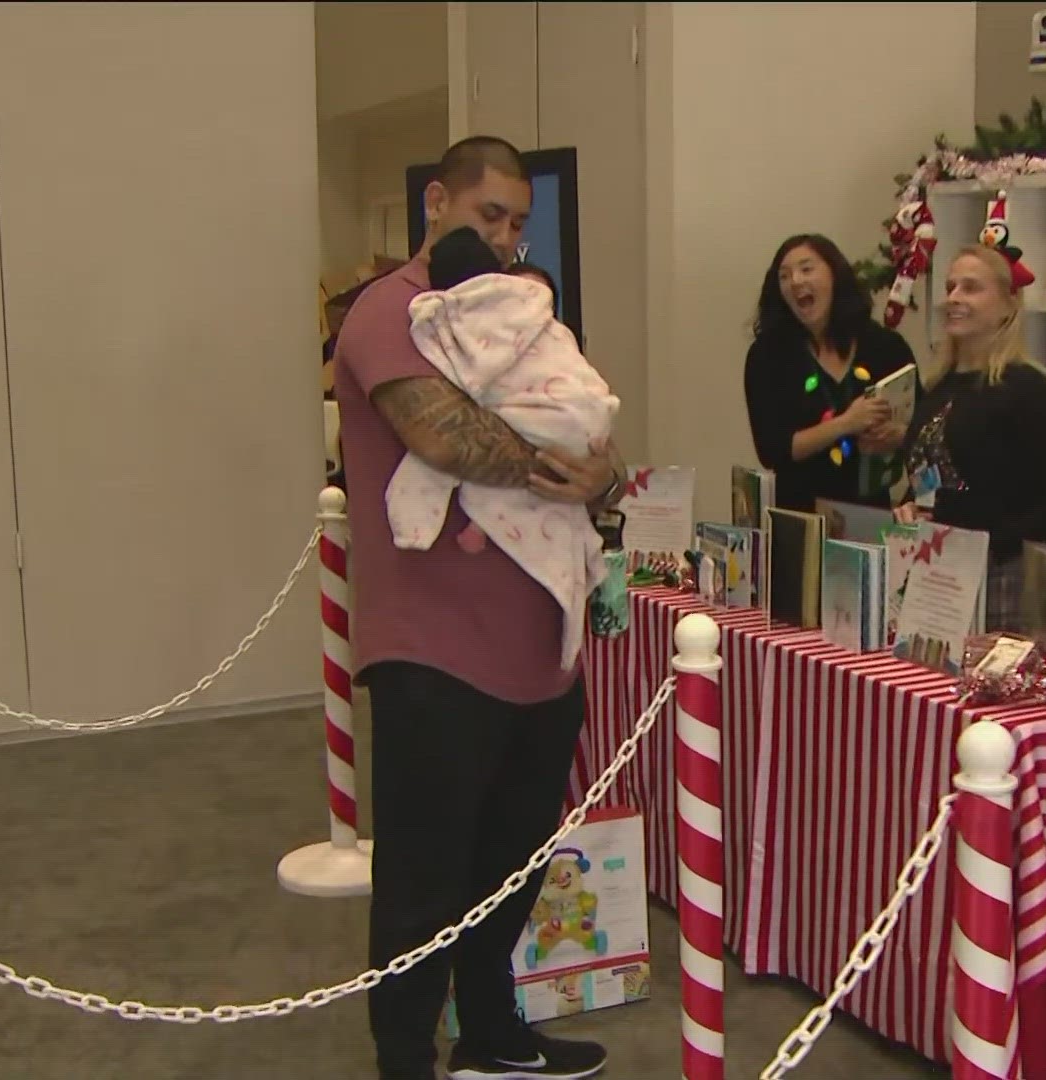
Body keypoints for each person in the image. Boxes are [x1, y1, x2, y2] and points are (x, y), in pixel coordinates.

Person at [332, 135, 618, 1080]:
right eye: (486, 215)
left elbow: (582, 414)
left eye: (516, 224)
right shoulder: (389, 314)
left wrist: (599, 470)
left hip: (539, 642)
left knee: (513, 862)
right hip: (434, 648)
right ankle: (405, 1055)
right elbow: (443, 436)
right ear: (437, 204)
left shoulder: (528, 316)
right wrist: (569, 468)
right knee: (423, 877)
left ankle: (492, 1033)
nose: (502, 238)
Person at [385, 225, 618, 672]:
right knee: (490, 449)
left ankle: (446, 524)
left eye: (518, 221)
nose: (508, 232)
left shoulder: (462, 312)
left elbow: (477, 376)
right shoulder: (534, 309)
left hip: (554, 411)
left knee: (474, 446)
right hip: (587, 410)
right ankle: (484, 527)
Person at [890, 244, 1046, 629]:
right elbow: (932, 473)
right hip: (937, 573)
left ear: (1009, 304)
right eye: (950, 287)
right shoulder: (938, 386)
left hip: (1003, 580)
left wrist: (986, 544)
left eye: (971, 288)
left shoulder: (1027, 388)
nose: (954, 298)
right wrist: (910, 507)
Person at [742, 234, 917, 513]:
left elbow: (923, 430)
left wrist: (897, 437)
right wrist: (847, 422)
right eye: (784, 276)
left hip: (872, 513)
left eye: (807, 269)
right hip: (799, 515)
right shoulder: (768, 356)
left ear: (835, 275)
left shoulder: (885, 346)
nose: (795, 281)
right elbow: (773, 451)